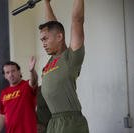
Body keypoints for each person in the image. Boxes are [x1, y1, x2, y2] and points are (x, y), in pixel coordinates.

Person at [39, 0, 89, 133]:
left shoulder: (70, 58)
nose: (43, 43)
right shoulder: (51, 61)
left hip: (71, 122)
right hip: (53, 121)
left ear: (59, 37)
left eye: (45, 39)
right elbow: (53, 27)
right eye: (42, 40)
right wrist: (46, 3)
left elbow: (77, 20)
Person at [0, 57, 38, 133]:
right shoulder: (3, 93)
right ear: (5, 76)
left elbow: (34, 81)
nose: (11, 74)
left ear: (19, 72)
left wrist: (32, 71)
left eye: (13, 71)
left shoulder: (27, 86)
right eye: (7, 72)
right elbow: (2, 116)